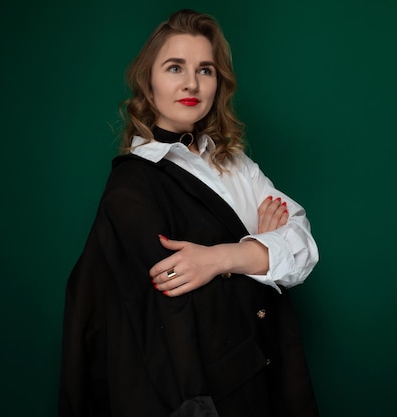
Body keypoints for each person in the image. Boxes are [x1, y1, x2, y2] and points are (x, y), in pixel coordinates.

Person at [59, 9, 319, 417]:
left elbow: (303, 249)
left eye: (206, 70)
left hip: (271, 374)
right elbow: (169, 319)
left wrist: (220, 258)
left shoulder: (234, 164)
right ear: (149, 81)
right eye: (175, 67)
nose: (191, 84)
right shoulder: (132, 188)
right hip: (211, 397)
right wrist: (262, 252)